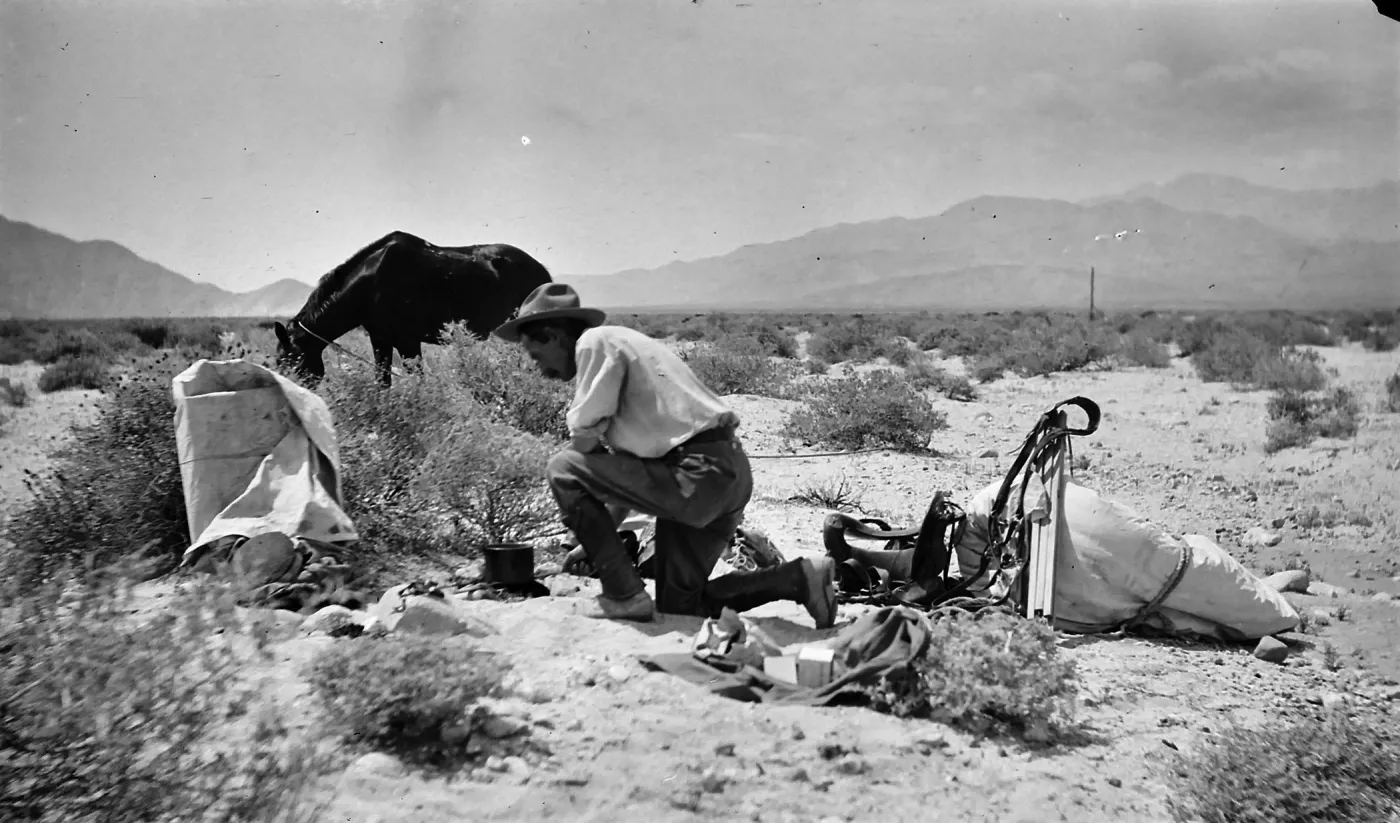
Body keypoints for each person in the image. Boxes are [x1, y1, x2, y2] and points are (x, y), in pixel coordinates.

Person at [493, 282, 838, 627]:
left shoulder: (594, 342)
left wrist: (599, 545)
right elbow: (627, 476)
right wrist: (596, 542)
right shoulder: (626, 348)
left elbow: (582, 443)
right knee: (679, 607)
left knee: (562, 468)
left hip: (696, 474)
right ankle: (799, 577)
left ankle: (623, 594)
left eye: (535, 355)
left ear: (553, 335)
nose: (539, 368)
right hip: (724, 472)